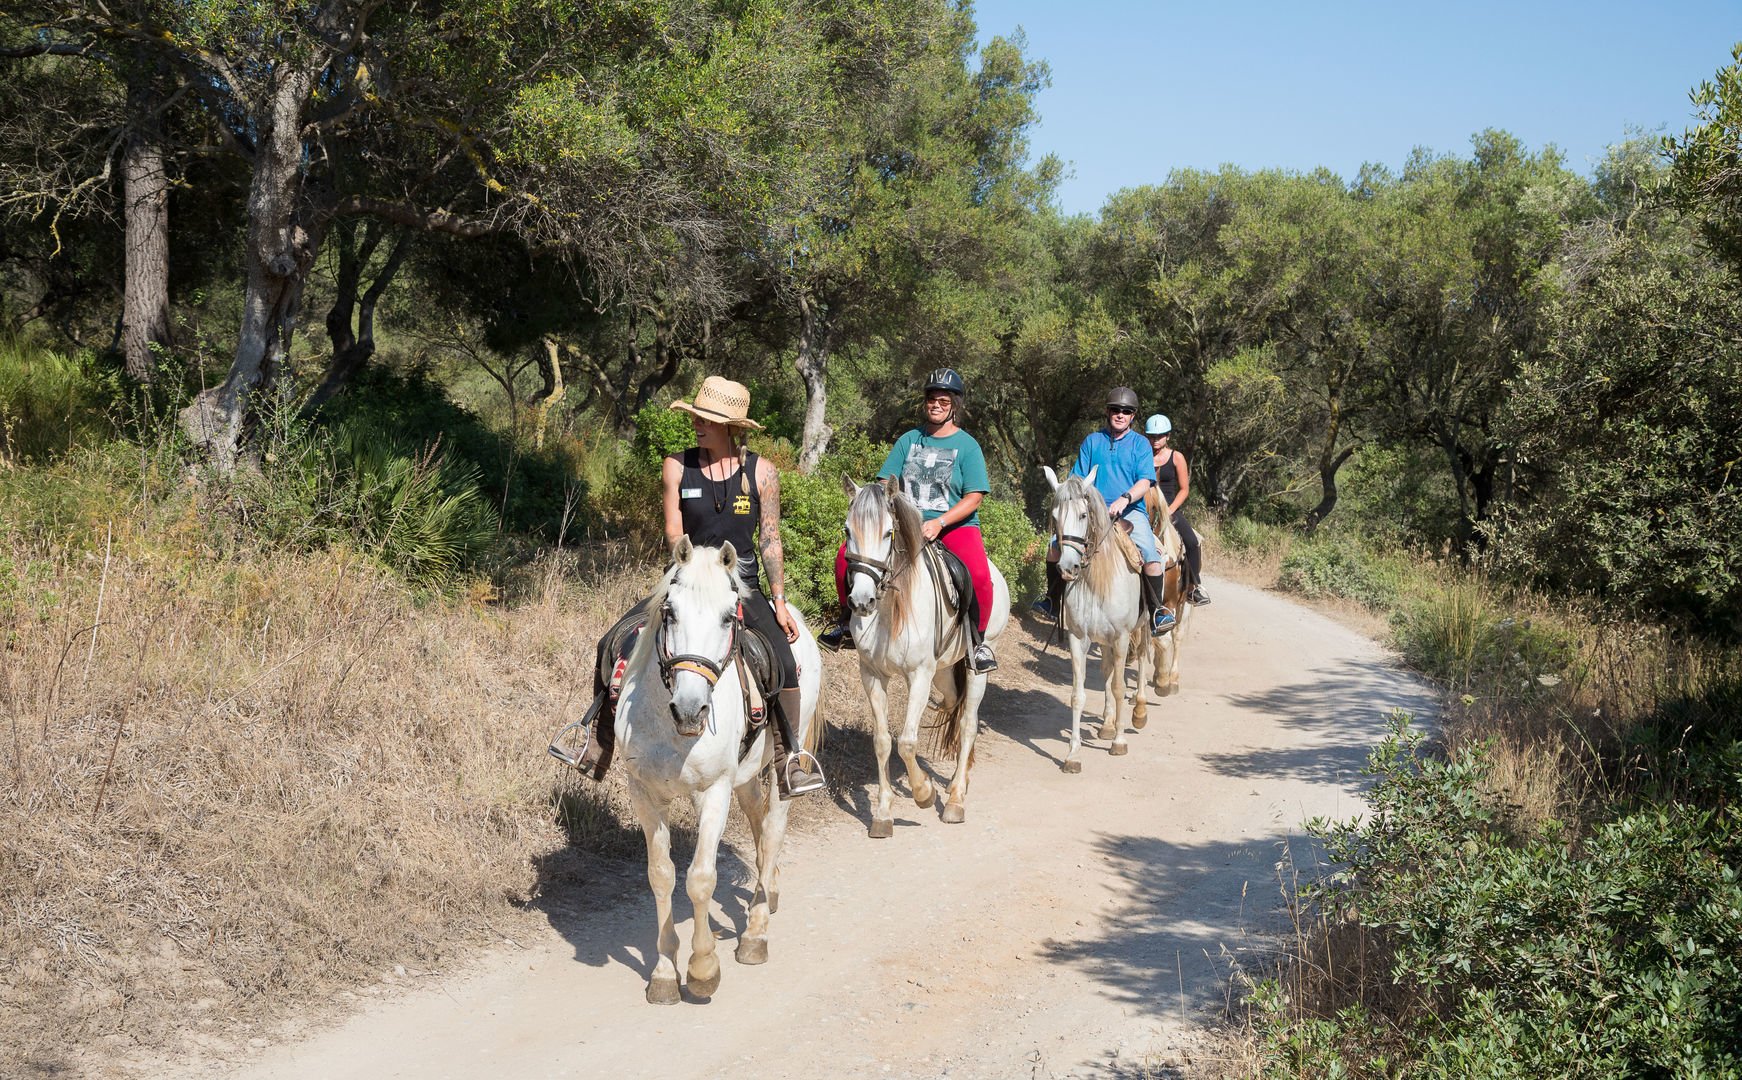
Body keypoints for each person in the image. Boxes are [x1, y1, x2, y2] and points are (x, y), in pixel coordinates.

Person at [571, 377, 823, 797]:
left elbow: (770, 539)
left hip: (738, 584)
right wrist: (688, 560)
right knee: (612, 640)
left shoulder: (762, 472)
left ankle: (790, 759)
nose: (698, 425)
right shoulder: (677, 464)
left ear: (732, 426)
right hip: (686, 578)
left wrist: (778, 600)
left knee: (784, 660)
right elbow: (674, 531)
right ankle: (598, 743)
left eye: (706, 419)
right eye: (696, 417)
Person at [820, 368, 999, 673]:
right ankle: (845, 623)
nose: (936, 404)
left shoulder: (968, 446)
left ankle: (976, 642)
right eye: (932, 399)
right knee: (843, 557)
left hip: (953, 526)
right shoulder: (909, 440)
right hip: (904, 526)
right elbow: (883, 483)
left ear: (955, 404)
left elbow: (974, 497)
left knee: (980, 576)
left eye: (943, 400)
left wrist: (940, 522)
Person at [1034, 387, 1175, 634]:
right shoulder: (1092, 441)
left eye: (1126, 411)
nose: (1120, 414)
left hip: (1130, 511)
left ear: (1133, 416)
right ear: (1108, 412)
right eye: (1115, 410)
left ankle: (1156, 612)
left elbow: (1145, 481)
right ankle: (1052, 601)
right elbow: (1077, 479)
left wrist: (1125, 498)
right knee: (1055, 546)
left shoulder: (1141, 444)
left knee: (1152, 558)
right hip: (1091, 510)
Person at [1145, 413, 1209, 606]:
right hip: (1145, 509)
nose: (1156, 440)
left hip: (1171, 509)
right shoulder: (1141, 456)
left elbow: (1184, 489)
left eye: (1160, 436)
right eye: (1152, 436)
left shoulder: (1176, 457)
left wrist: (1169, 511)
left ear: (1168, 436)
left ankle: (1193, 586)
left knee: (1191, 542)